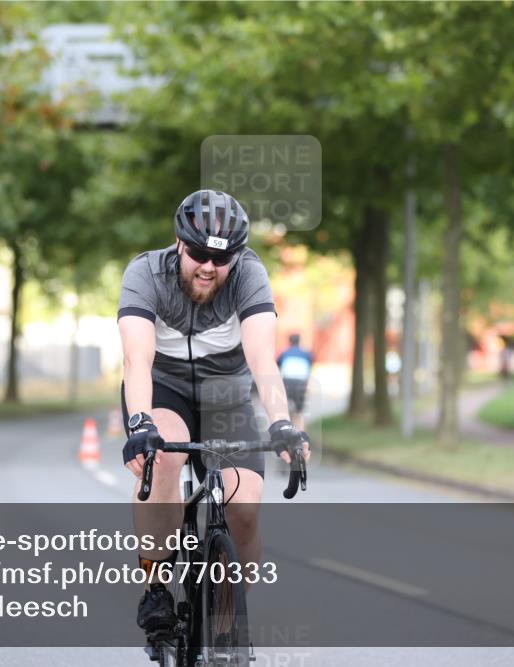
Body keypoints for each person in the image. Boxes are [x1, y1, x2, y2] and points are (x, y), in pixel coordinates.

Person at [118, 189, 310, 637]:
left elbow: (264, 360)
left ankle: (227, 609)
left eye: (220, 260)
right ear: (180, 244)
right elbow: (136, 361)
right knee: (163, 459)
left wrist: (282, 422)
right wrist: (140, 423)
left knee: (244, 506)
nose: (208, 267)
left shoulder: (249, 275)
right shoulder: (145, 272)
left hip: (226, 395)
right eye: (200, 254)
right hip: (162, 390)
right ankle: (156, 588)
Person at [277, 333, 314, 430]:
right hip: (301, 383)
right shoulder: (306, 354)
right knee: (299, 413)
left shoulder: (284, 353)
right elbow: (308, 370)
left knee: (285, 410)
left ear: (289, 341)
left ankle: (287, 432)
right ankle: (301, 437)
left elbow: (278, 367)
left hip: (287, 382)